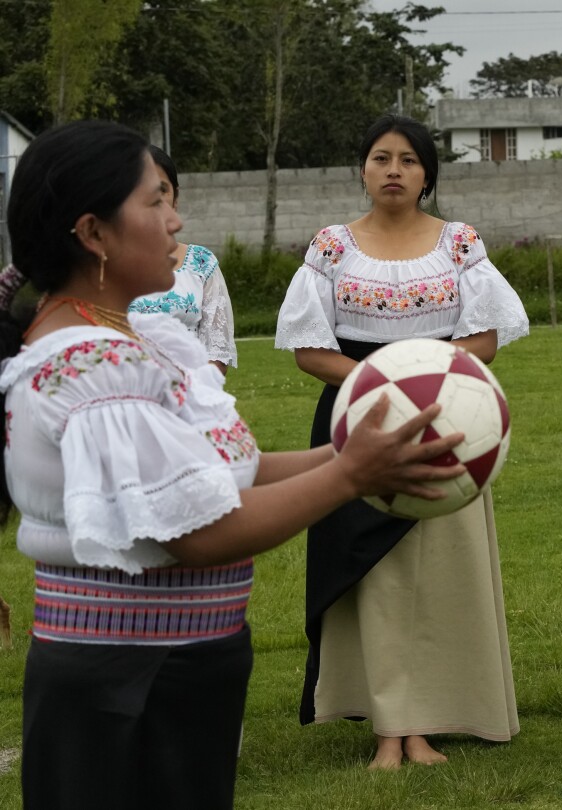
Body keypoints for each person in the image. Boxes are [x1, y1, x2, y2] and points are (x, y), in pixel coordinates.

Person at [0, 121, 464, 809]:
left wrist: (352, 452)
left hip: (171, 672)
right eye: (155, 201)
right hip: (126, 682)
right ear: (94, 234)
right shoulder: (91, 367)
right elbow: (198, 531)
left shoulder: (134, 341)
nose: (175, 219)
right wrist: (349, 477)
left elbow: (224, 472)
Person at [275, 114, 530, 769]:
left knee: (441, 577)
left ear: (427, 174)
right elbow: (309, 348)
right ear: (362, 169)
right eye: (381, 157)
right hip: (355, 425)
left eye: (409, 160)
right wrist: (383, 383)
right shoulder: (331, 248)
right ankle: (389, 728)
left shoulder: (460, 244)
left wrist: (427, 387)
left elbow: (484, 340)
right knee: (375, 578)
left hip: (448, 425)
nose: (394, 170)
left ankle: (429, 723)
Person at [128, 145, 238, 375]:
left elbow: (217, 353)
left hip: (192, 397)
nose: (151, 201)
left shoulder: (202, 263)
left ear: (176, 197)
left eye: (161, 190)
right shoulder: (102, 266)